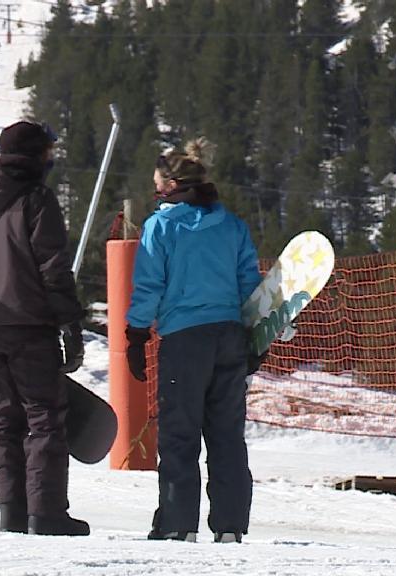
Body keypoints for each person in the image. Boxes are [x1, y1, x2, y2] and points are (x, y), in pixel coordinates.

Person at [0, 120, 88, 536]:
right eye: (47, 151)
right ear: (34, 154)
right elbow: (53, 266)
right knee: (44, 415)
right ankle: (46, 515)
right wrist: (70, 323)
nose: (51, 159)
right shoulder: (35, 197)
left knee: (6, 416)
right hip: (30, 322)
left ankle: (12, 510)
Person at [124, 137, 262, 544]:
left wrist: (135, 334)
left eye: (157, 186)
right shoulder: (233, 226)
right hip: (229, 336)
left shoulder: (161, 226)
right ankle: (231, 526)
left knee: (180, 434)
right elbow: (249, 285)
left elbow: (149, 285)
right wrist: (255, 338)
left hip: (184, 339)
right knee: (226, 435)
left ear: (171, 186)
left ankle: (177, 523)